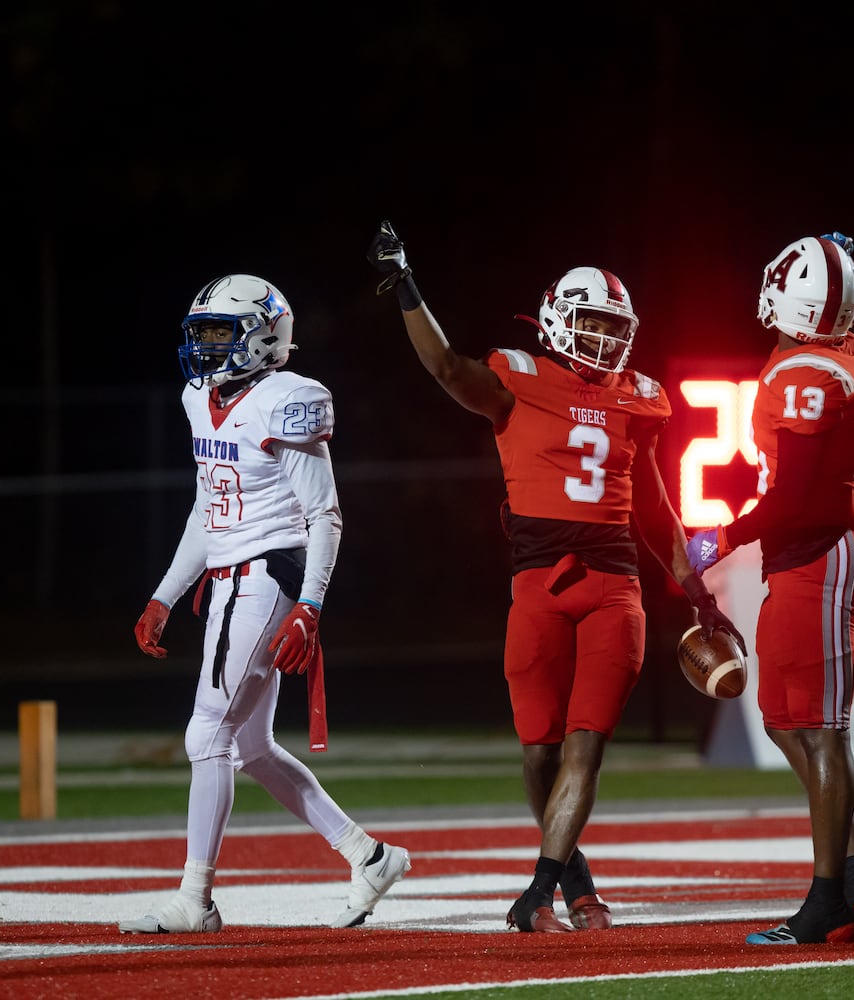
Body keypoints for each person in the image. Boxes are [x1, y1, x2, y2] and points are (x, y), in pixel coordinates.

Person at [366, 221, 745, 933]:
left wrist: (696, 588)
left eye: (613, 324)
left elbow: (656, 506)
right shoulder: (518, 378)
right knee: (539, 750)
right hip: (538, 584)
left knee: (585, 745)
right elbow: (447, 367)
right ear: (557, 321)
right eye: (592, 321)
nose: (604, 337)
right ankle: (578, 884)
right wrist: (406, 286)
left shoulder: (640, 398)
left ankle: (539, 891)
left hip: (616, 587)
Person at [120, 273, 410, 934]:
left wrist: (310, 605)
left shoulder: (289, 399)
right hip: (227, 577)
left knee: (206, 735)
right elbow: (209, 506)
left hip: (267, 577)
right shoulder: (200, 396)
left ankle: (196, 899)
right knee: (248, 747)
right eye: (202, 333)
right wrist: (165, 594)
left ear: (263, 335)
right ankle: (370, 856)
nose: (207, 347)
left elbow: (325, 515)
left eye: (221, 332)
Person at [685, 232, 854, 945]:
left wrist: (723, 537)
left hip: (818, 549)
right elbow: (832, 312)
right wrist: (833, 266)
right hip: (822, 551)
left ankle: (830, 900)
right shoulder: (837, 352)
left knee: (821, 732)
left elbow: (798, 495)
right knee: (782, 719)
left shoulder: (804, 370)